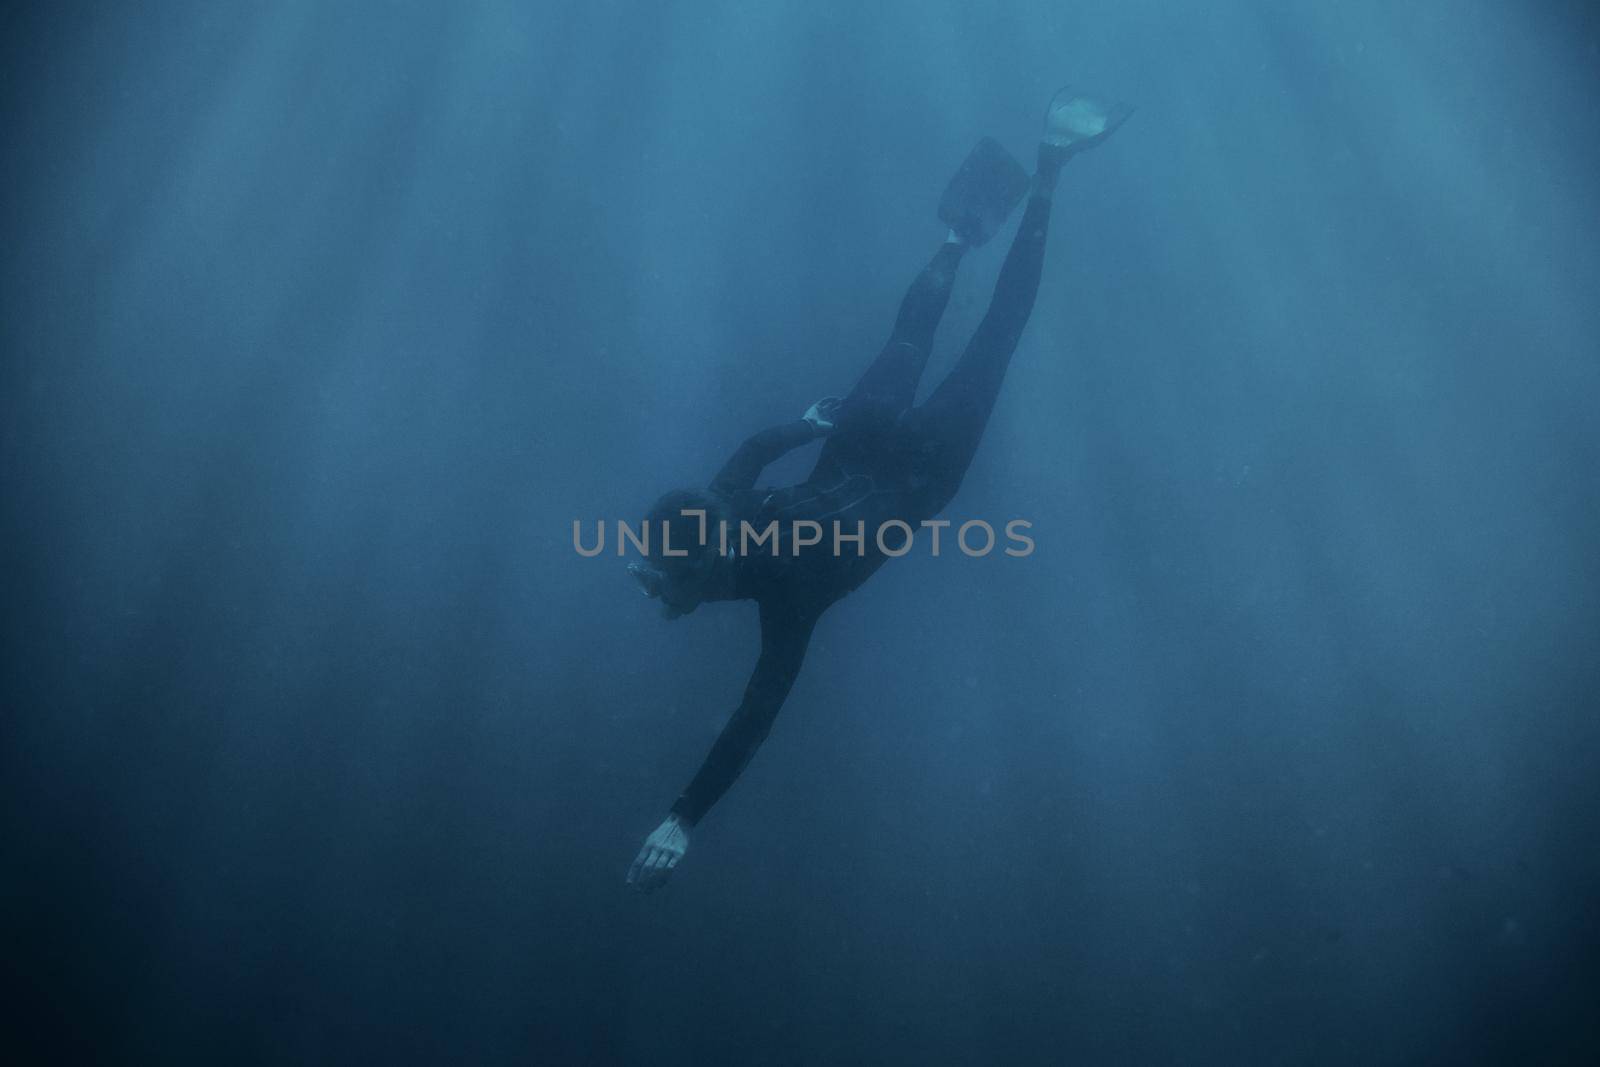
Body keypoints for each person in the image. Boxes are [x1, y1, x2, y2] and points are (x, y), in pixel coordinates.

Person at [625, 87, 1132, 890]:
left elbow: (755, 717)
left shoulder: (785, 600)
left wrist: (685, 815)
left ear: (705, 566)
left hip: (919, 472)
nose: (662, 602)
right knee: (915, 334)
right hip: (862, 440)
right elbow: (751, 452)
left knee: (995, 335)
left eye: (665, 586)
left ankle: (1048, 173)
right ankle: (965, 231)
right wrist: (810, 422)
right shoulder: (728, 515)